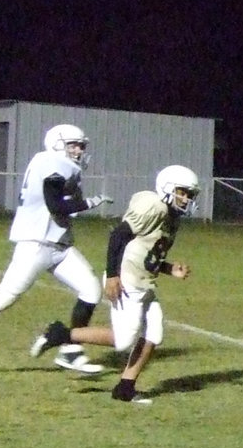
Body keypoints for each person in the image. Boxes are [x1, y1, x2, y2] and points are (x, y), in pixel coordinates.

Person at [0, 124, 113, 372]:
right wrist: (91, 203)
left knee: (91, 290)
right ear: (57, 144)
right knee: (5, 296)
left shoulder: (58, 165)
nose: (79, 150)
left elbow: (62, 203)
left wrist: (81, 202)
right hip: (36, 242)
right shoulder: (53, 163)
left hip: (58, 244)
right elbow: (56, 206)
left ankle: (71, 350)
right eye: (74, 145)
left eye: (81, 145)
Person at [28, 165, 200, 405]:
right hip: (127, 280)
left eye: (190, 195)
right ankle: (60, 333)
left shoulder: (171, 217)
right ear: (168, 188)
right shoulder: (153, 207)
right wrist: (112, 275)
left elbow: (146, 253)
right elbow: (118, 236)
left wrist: (169, 268)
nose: (187, 199)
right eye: (183, 192)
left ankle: (125, 387)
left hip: (144, 280)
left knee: (154, 333)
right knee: (123, 340)